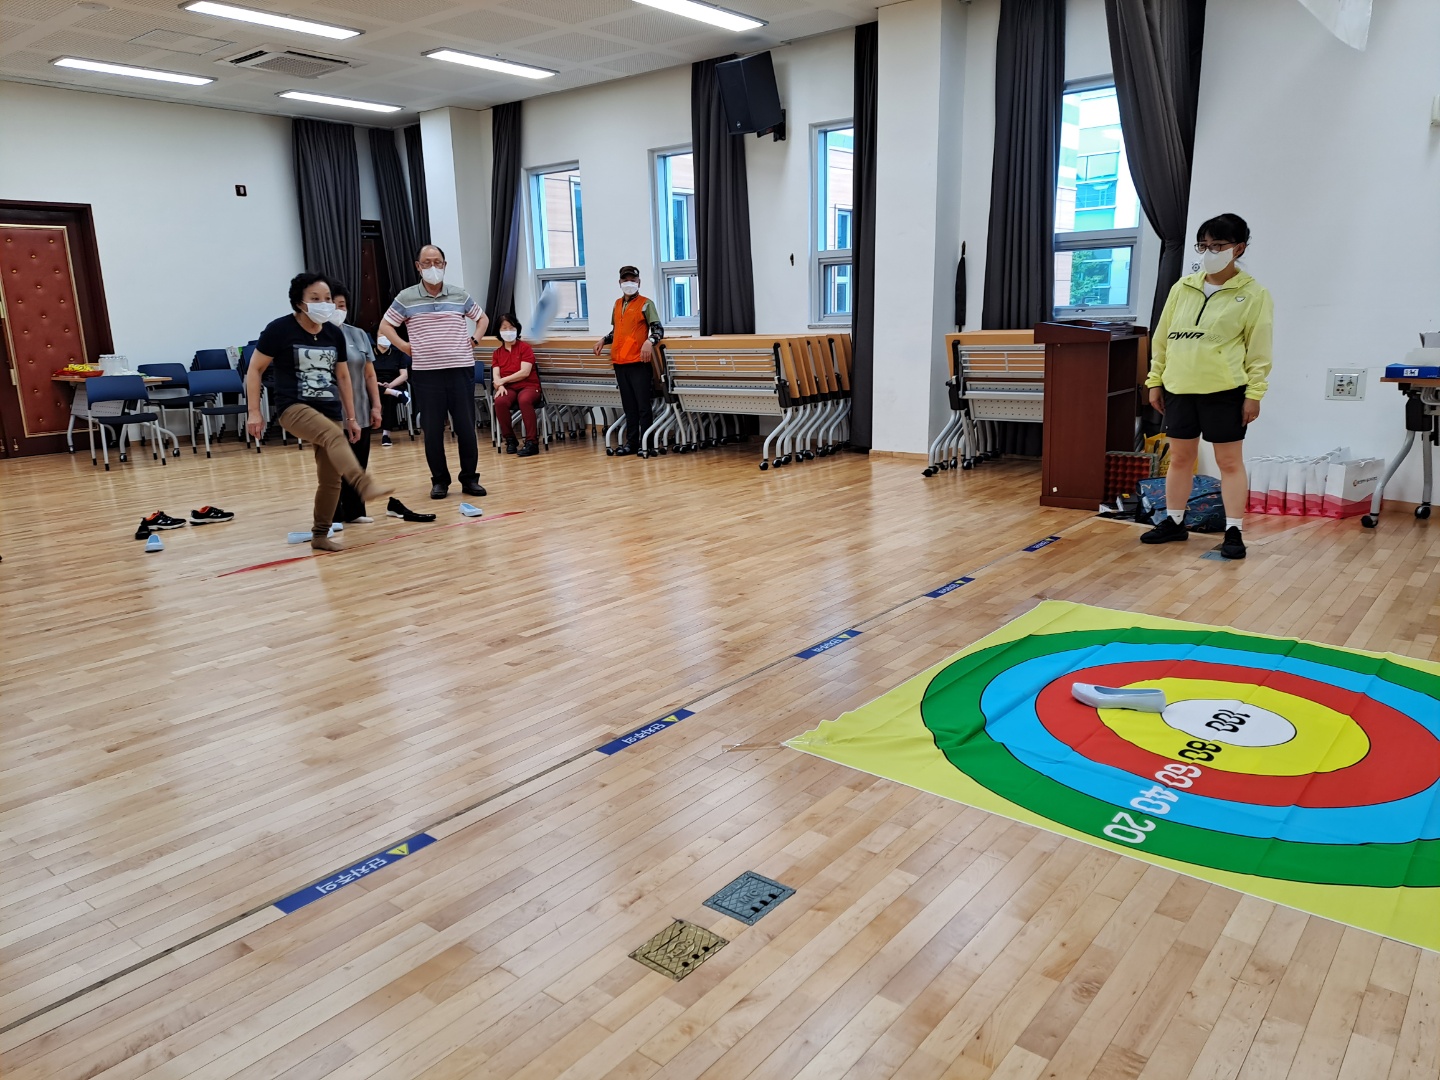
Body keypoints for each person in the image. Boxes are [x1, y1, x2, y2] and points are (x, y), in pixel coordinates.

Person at [1142, 213, 1273, 560]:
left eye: (1217, 245)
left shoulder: (1254, 294)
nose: (1209, 252)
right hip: (1179, 388)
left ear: (1238, 248)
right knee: (1180, 458)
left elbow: (1259, 351)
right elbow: (1162, 339)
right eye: (1203, 245)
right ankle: (1174, 522)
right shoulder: (1182, 288)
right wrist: (1155, 381)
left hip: (1225, 391)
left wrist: (1254, 394)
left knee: (1228, 462)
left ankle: (1233, 530)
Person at [245, 273, 392, 551]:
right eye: (315, 298)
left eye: (327, 299)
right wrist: (254, 411)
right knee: (333, 437)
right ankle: (363, 484)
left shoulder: (333, 334)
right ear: (299, 302)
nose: (324, 304)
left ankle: (320, 535)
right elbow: (255, 369)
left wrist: (351, 418)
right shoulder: (279, 329)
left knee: (331, 478)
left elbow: (344, 377)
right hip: (294, 407)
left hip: (330, 409)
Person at [381, 245, 489, 499]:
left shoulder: (459, 294)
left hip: (460, 369)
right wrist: (404, 346)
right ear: (418, 266)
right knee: (432, 429)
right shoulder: (406, 297)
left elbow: (482, 319)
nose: (433, 267)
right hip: (426, 373)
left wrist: (474, 340)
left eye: (438, 262)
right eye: (427, 262)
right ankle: (440, 481)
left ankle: (469, 479)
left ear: (444, 265)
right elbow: (386, 325)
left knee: (465, 427)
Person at [327, 283, 383, 524]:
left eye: (341, 305)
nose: (337, 310)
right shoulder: (317, 337)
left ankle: (355, 511)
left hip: (360, 409)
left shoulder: (358, 334)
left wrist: (376, 405)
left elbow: (369, 374)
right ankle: (333, 514)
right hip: (331, 413)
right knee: (334, 466)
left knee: (359, 462)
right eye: (331, 305)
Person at [593, 265, 663, 456]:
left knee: (643, 406)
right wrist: (603, 340)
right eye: (625, 280)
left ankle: (646, 443)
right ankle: (631, 443)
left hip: (638, 362)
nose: (629, 283)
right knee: (629, 406)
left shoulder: (646, 304)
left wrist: (649, 341)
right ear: (620, 282)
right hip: (620, 362)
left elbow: (658, 329)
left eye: (633, 280)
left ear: (639, 282)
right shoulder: (617, 304)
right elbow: (617, 331)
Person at [491, 314, 542, 458]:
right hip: (509, 387)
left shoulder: (525, 348)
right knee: (500, 401)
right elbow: (496, 375)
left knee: (524, 400)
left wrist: (502, 381)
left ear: (517, 329)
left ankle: (532, 442)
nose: (508, 331)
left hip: (529, 385)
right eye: (504, 328)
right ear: (498, 331)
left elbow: (524, 372)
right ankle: (510, 439)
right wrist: (500, 386)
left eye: (511, 327)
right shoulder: (497, 353)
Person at [373, 326, 409, 447]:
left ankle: (386, 434)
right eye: (382, 334)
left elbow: (404, 375)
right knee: (367, 390)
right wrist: (375, 383)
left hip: (394, 384)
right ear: (376, 336)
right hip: (374, 385)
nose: (385, 337)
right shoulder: (370, 354)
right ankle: (397, 394)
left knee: (389, 398)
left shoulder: (398, 354)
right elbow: (365, 375)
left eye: (387, 334)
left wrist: (390, 385)